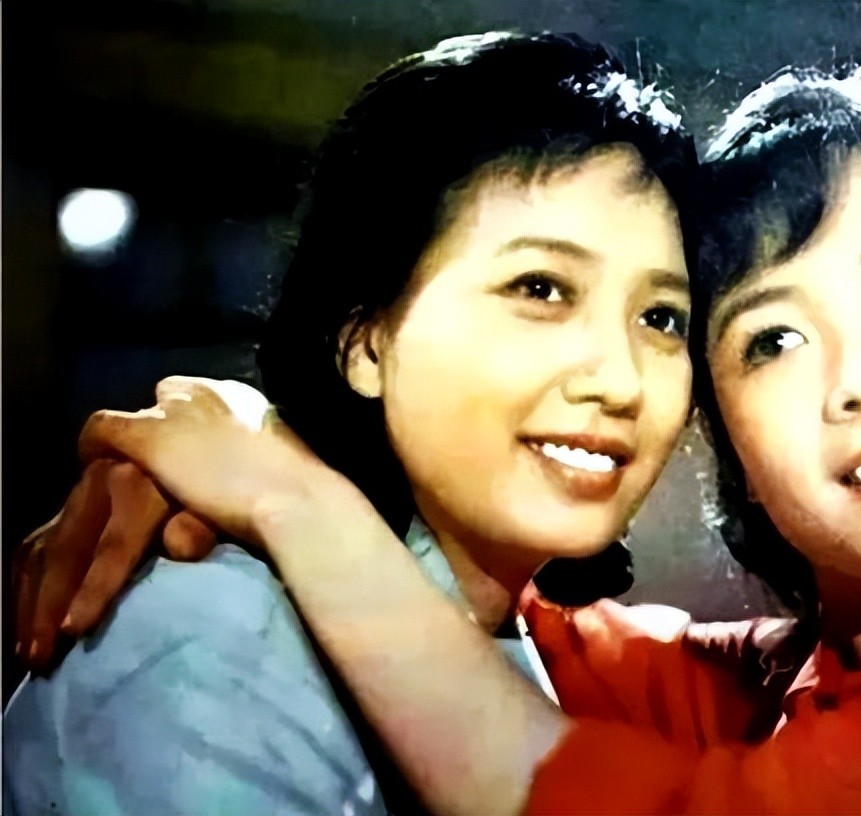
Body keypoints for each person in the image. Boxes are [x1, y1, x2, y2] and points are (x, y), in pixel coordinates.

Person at [17, 64, 861, 814]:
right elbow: (461, 588)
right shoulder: (732, 692)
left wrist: (288, 495)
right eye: (768, 339)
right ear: (723, 429)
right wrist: (256, 441)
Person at [6, 31, 783, 816]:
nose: (619, 380)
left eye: (661, 317)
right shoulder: (215, 644)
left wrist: (281, 485)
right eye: (540, 288)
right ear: (365, 343)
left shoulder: (542, 658)